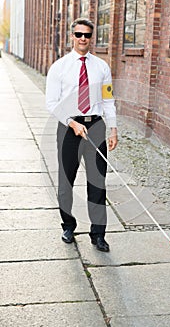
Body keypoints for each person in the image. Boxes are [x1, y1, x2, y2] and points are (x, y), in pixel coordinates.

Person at [46, 18, 118, 252]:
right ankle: (68, 225)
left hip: (96, 127)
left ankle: (98, 234)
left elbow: (108, 99)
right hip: (69, 128)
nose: (83, 39)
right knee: (66, 181)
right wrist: (71, 123)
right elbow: (52, 103)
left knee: (97, 183)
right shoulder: (59, 67)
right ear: (72, 36)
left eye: (87, 35)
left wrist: (113, 127)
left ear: (92, 37)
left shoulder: (102, 67)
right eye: (78, 34)